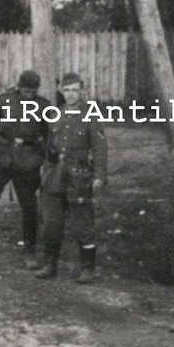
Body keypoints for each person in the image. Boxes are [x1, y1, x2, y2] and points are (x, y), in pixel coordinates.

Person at [35, 72, 108, 283]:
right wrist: (44, 171)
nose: (71, 95)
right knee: (51, 223)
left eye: (75, 90)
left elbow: (100, 149)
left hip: (80, 176)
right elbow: (50, 146)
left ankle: (87, 269)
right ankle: (50, 265)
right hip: (54, 175)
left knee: (82, 225)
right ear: (61, 91)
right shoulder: (56, 113)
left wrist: (99, 177)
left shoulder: (91, 115)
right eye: (66, 90)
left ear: (82, 91)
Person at [0, 70, 52, 267]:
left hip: (28, 160)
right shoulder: (3, 102)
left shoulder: (43, 105)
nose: (29, 94)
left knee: (29, 207)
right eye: (26, 90)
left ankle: (29, 251)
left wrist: (40, 155)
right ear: (19, 87)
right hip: (1, 157)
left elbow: (50, 133)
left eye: (33, 91)